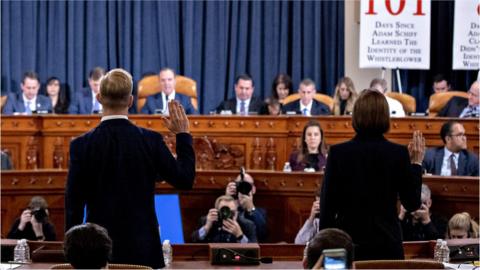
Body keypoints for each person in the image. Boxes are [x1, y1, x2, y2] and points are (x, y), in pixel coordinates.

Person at [65, 68, 195, 269]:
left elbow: (74, 205)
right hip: (143, 249)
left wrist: (72, 253)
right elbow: (185, 180)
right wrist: (183, 135)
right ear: (131, 101)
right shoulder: (150, 141)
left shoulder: (81, 145)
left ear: (99, 98)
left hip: (97, 252)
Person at [319, 90, 424, 260]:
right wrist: (416, 164)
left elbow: (327, 209)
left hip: (348, 243)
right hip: (387, 243)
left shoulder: (338, 153)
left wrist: (324, 250)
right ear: (385, 116)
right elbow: (412, 203)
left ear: (356, 115)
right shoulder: (398, 153)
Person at [191, 195, 257, 243]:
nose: (227, 215)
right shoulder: (207, 221)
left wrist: (240, 235)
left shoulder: (247, 224)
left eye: (232, 212)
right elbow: (193, 241)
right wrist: (206, 227)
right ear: (217, 211)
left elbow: (254, 250)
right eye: (224, 211)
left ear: (237, 212)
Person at [225, 173, 267, 242]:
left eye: (246, 184)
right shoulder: (227, 206)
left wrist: (251, 208)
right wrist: (227, 200)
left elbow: (262, 235)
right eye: (239, 184)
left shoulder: (261, 212)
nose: (243, 187)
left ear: (253, 189)